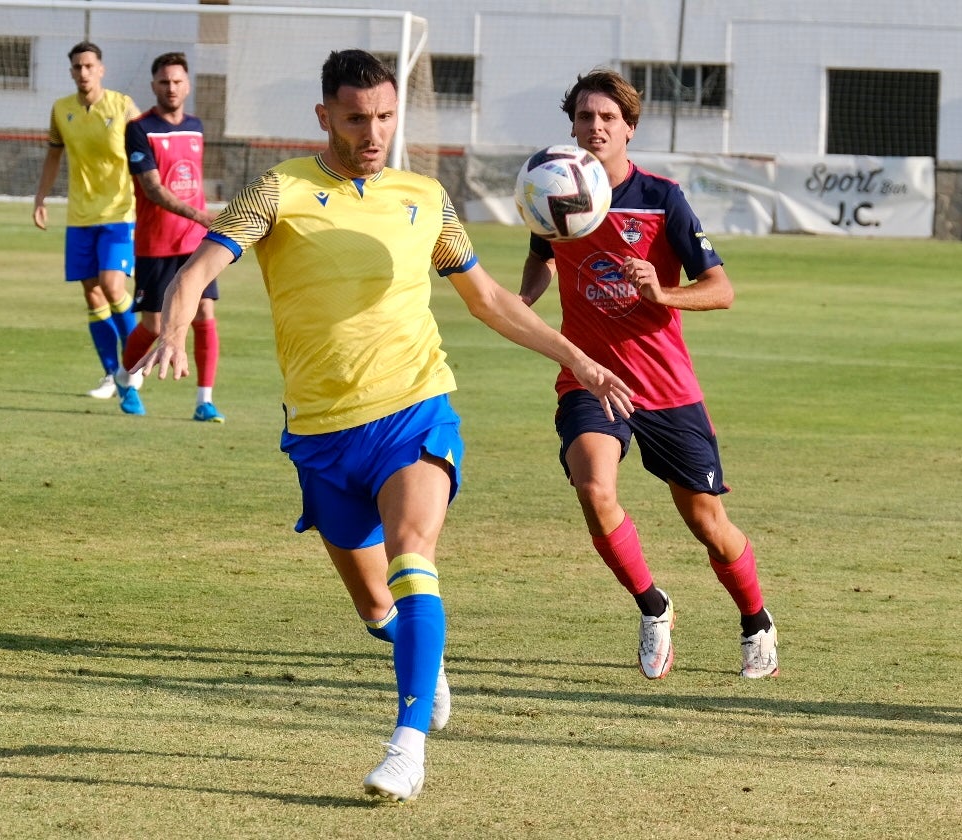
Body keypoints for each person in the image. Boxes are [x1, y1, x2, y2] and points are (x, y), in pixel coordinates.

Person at [132, 49, 634, 804]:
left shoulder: (425, 198)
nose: (374, 133)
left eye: (386, 117)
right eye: (358, 118)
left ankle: (407, 746)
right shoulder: (280, 190)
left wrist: (579, 359)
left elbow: (490, 299)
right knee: (375, 608)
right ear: (325, 116)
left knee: (413, 552)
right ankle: (421, 663)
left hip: (414, 410)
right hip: (322, 433)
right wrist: (174, 321)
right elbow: (198, 268)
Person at [517, 68, 779, 684]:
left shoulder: (662, 198)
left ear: (630, 128)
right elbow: (540, 261)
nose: (596, 127)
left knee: (707, 524)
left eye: (608, 118)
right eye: (585, 117)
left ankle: (756, 619)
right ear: (573, 126)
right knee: (594, 487)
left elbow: (722, 289)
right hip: (588, 377)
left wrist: (662, 291)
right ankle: (653, 606)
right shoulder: (555, 189)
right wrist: (521, 302)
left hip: (666, 387)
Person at [32, 41, 144, 414]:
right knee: (92, 295)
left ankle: (137, 361)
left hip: (119, 213)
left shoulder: (123, 105)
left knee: (113, 286)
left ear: (101, 69)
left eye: (89, 66)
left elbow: (145, 154)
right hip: (80, 218)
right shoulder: (61, 110)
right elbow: (53, 154)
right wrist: (40, 199)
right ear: (71, 72)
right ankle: (112, 374)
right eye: (77, 67)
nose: (83, 72)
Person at [122, 52, 223, 422]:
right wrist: (198, 214)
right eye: (164, 81)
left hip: (196, 241)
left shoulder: (195, 125)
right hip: (156, 242)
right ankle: (128, 382)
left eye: (178, 81)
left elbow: (191, 180)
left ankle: (204, 400)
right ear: (154, 86)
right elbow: (152, 189)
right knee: (153, 325)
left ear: (188, 85)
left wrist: (201, 221)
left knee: (205, 313)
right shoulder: (139, 128)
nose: (171, 87)